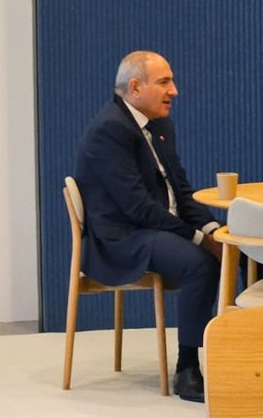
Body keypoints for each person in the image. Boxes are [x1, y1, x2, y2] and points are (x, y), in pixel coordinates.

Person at [74, 51, 223, 403]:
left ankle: (259, 351)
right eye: (164, 82)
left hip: (156, 226)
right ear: (135, 87)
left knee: (248, 249)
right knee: (200, 264)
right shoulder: (110, 130)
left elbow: (181, 192)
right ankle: (187, 369)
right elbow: (137, 208)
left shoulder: (159, 126)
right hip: (123, 237)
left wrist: (213, 230)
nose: (174, 91)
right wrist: (199, 239)